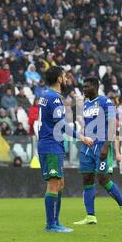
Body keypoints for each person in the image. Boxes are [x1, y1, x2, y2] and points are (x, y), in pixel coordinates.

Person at [38, 66, 93, 233]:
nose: (67, 79)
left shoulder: (47, 96)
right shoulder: (54, 98)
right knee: (54, 184)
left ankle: (55, 221)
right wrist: (82, 137)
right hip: (50, 145)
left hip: (52, 145)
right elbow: (61, 125)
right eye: (64, 76)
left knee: (59, 183)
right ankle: (51, 224)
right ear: (60, 79)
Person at [74, 77, 122, 225]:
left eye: (87, 86)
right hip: (87, 146)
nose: (84, 89)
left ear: (95, 87)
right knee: (87, 178)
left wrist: (106, 146)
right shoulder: (85, 105)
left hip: (102, 144)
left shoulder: (106, 102)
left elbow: (112, 125)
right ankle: (90, 216)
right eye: (83, 86)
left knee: (103, 178)